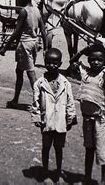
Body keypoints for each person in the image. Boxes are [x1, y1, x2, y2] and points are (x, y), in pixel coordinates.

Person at [70, 42, 105, 185]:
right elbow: (72, 62)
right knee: (89, 149)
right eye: (92, 59)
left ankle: (104, 181)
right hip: (87, 120)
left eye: (99, 60)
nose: (95, 62)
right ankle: (87, 177)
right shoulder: (85, 73)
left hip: (100, 120)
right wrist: (83, 50)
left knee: (103, 151)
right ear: (88, 60)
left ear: (104, 62)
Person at [31, 48, 77, 182]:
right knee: (46, 147)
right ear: (45, 63)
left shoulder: (65, 83)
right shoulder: (39, 83)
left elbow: (70, 102)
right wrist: (37, 117)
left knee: (59, 148)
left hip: (61, 122)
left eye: (55, 63)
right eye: (49, 62)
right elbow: (35, 102)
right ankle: (45, 172)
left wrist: (70, 119)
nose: (52, 65)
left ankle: (58, 171)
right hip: (47, 121)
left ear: (60, 63)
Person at [0, 0, 47, 108]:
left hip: (25, 45)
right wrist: (46, 48)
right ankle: (15, 100)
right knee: (19, 71)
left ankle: (40, 101)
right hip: (34, 44)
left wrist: (5, 47)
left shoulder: (24, 11)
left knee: (31, 74)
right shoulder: (37, 10)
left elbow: (16, 32)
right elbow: (43, 29)